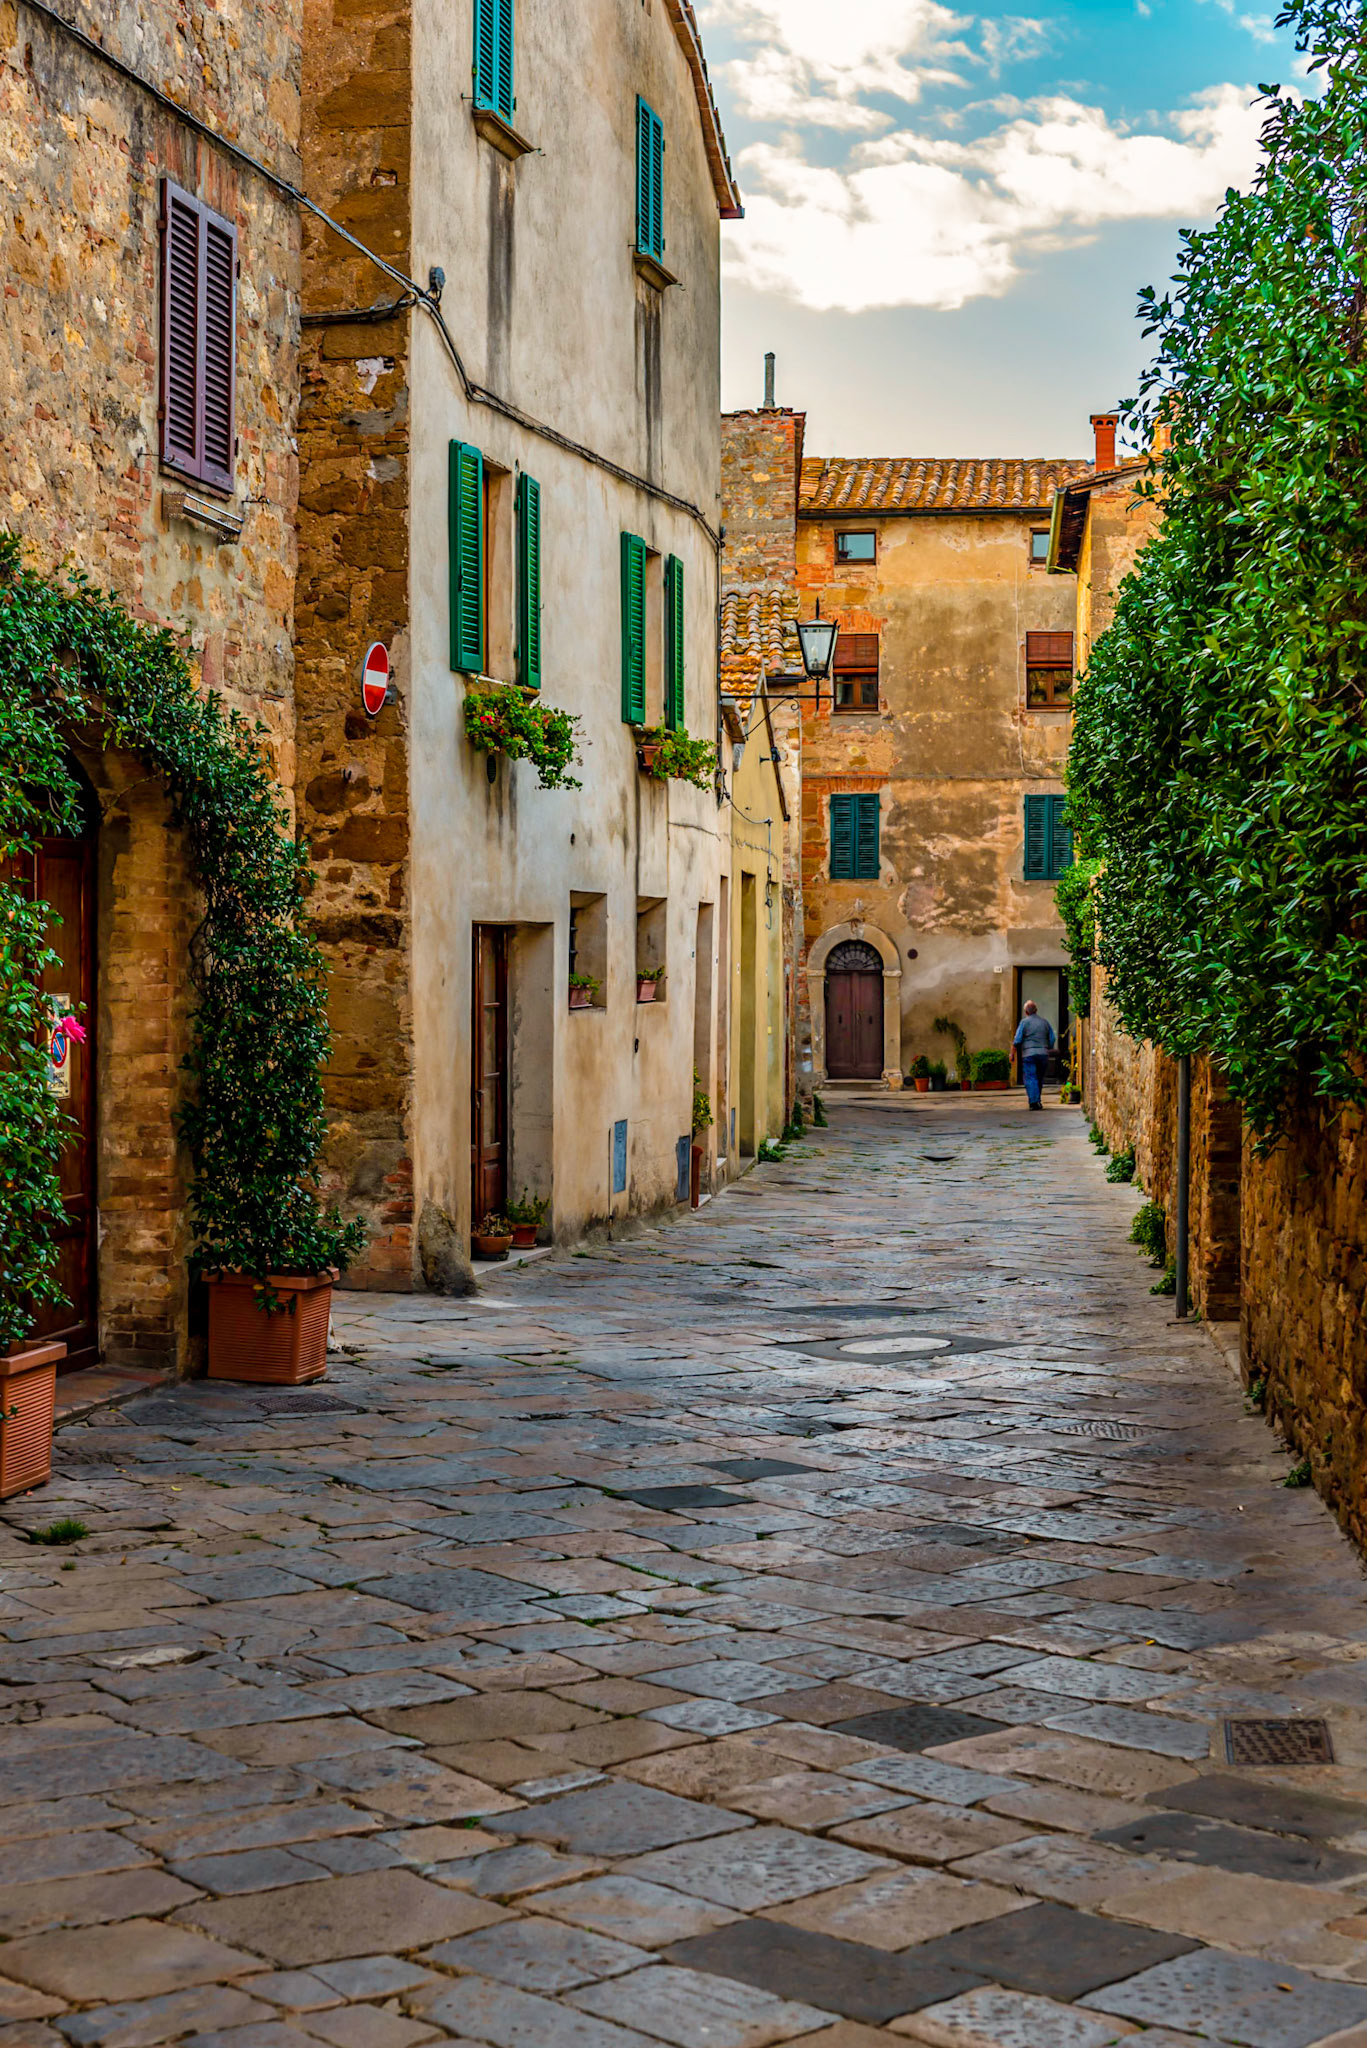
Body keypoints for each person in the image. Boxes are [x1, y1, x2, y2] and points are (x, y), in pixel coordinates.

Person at [1013, 1000, 1056, 1111]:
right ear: (1036, 1010)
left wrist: (1013, 1053)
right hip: (1043, 1053)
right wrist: (1047, 1047)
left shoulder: (1024, 1023)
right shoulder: (1044, 1022)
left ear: (1026, 1012)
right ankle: (1037, 1100)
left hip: (1028, 1054)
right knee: (1039, 1078)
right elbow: (1052, 1038)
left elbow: (1017, 1040)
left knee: (1030, 1077)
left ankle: (1034, 1102)